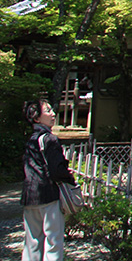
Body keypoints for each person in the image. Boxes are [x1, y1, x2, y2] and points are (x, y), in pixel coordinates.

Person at [21, 99, 75, 261]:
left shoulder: (31, 140)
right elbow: (56, 171)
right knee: (53, 242)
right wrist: (69, 176)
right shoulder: (49, 139)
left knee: (32, 243)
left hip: (29, 197)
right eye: (48, 111)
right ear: (37, 118)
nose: (53, 114)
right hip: (49, 195)